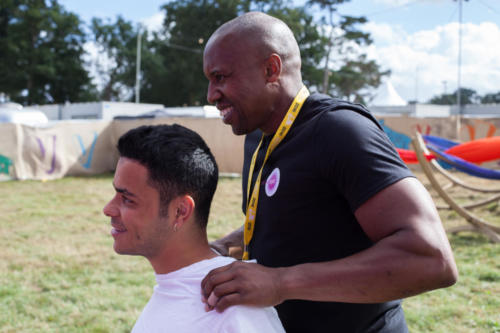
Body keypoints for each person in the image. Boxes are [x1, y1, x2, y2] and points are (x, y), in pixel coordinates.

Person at [201, 12, 458, 332]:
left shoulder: (341, 131)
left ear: (271, 69)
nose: (211, 94)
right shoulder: (258, 136)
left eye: (221, 77)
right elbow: (294, 221)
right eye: (209, 81)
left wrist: (281, 282)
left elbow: (431, 259)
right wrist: (226, 247)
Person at [103, 124, 285, 333]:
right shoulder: (179, 286)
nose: (108, 209)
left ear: (180, 211)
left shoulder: (232, 308)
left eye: (127, 199)